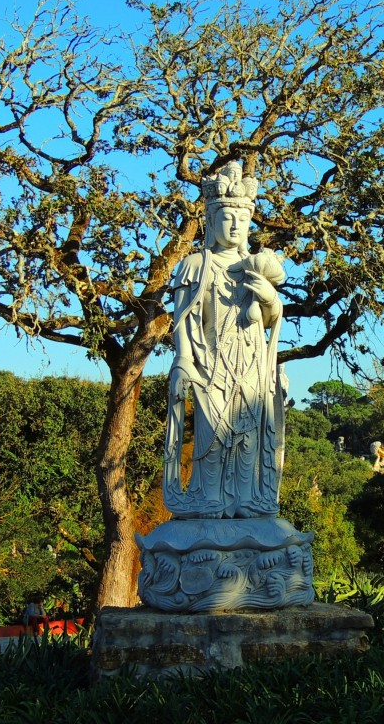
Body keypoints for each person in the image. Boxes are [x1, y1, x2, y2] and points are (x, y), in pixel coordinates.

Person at [162, 162, 287, 519]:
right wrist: (185, 360)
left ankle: (246, 499)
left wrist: (269, 299)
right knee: (213, 436)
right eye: (226, 218)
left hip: (249, 363)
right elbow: (183, 321)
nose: (234, 226)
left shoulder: (254, 265)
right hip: (210, 362)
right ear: (211, 222)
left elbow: (269, 321)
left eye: (241, 220)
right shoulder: (195, 265)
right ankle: (210, 498)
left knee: (247, 437)